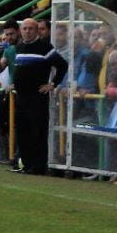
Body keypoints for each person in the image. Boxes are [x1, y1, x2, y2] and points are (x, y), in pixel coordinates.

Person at [11, 18, 68, 175]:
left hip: (36, 97)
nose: (27, 31)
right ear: (21, 31)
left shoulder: (45, 47)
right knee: (23, 131)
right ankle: (27, 164)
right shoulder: (20, 47)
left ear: (37, 31)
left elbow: (62, 65)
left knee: (37, 131)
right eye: (25, 28)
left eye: (31, 28)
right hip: (21, 97)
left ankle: (38, 165)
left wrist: (53, 84)